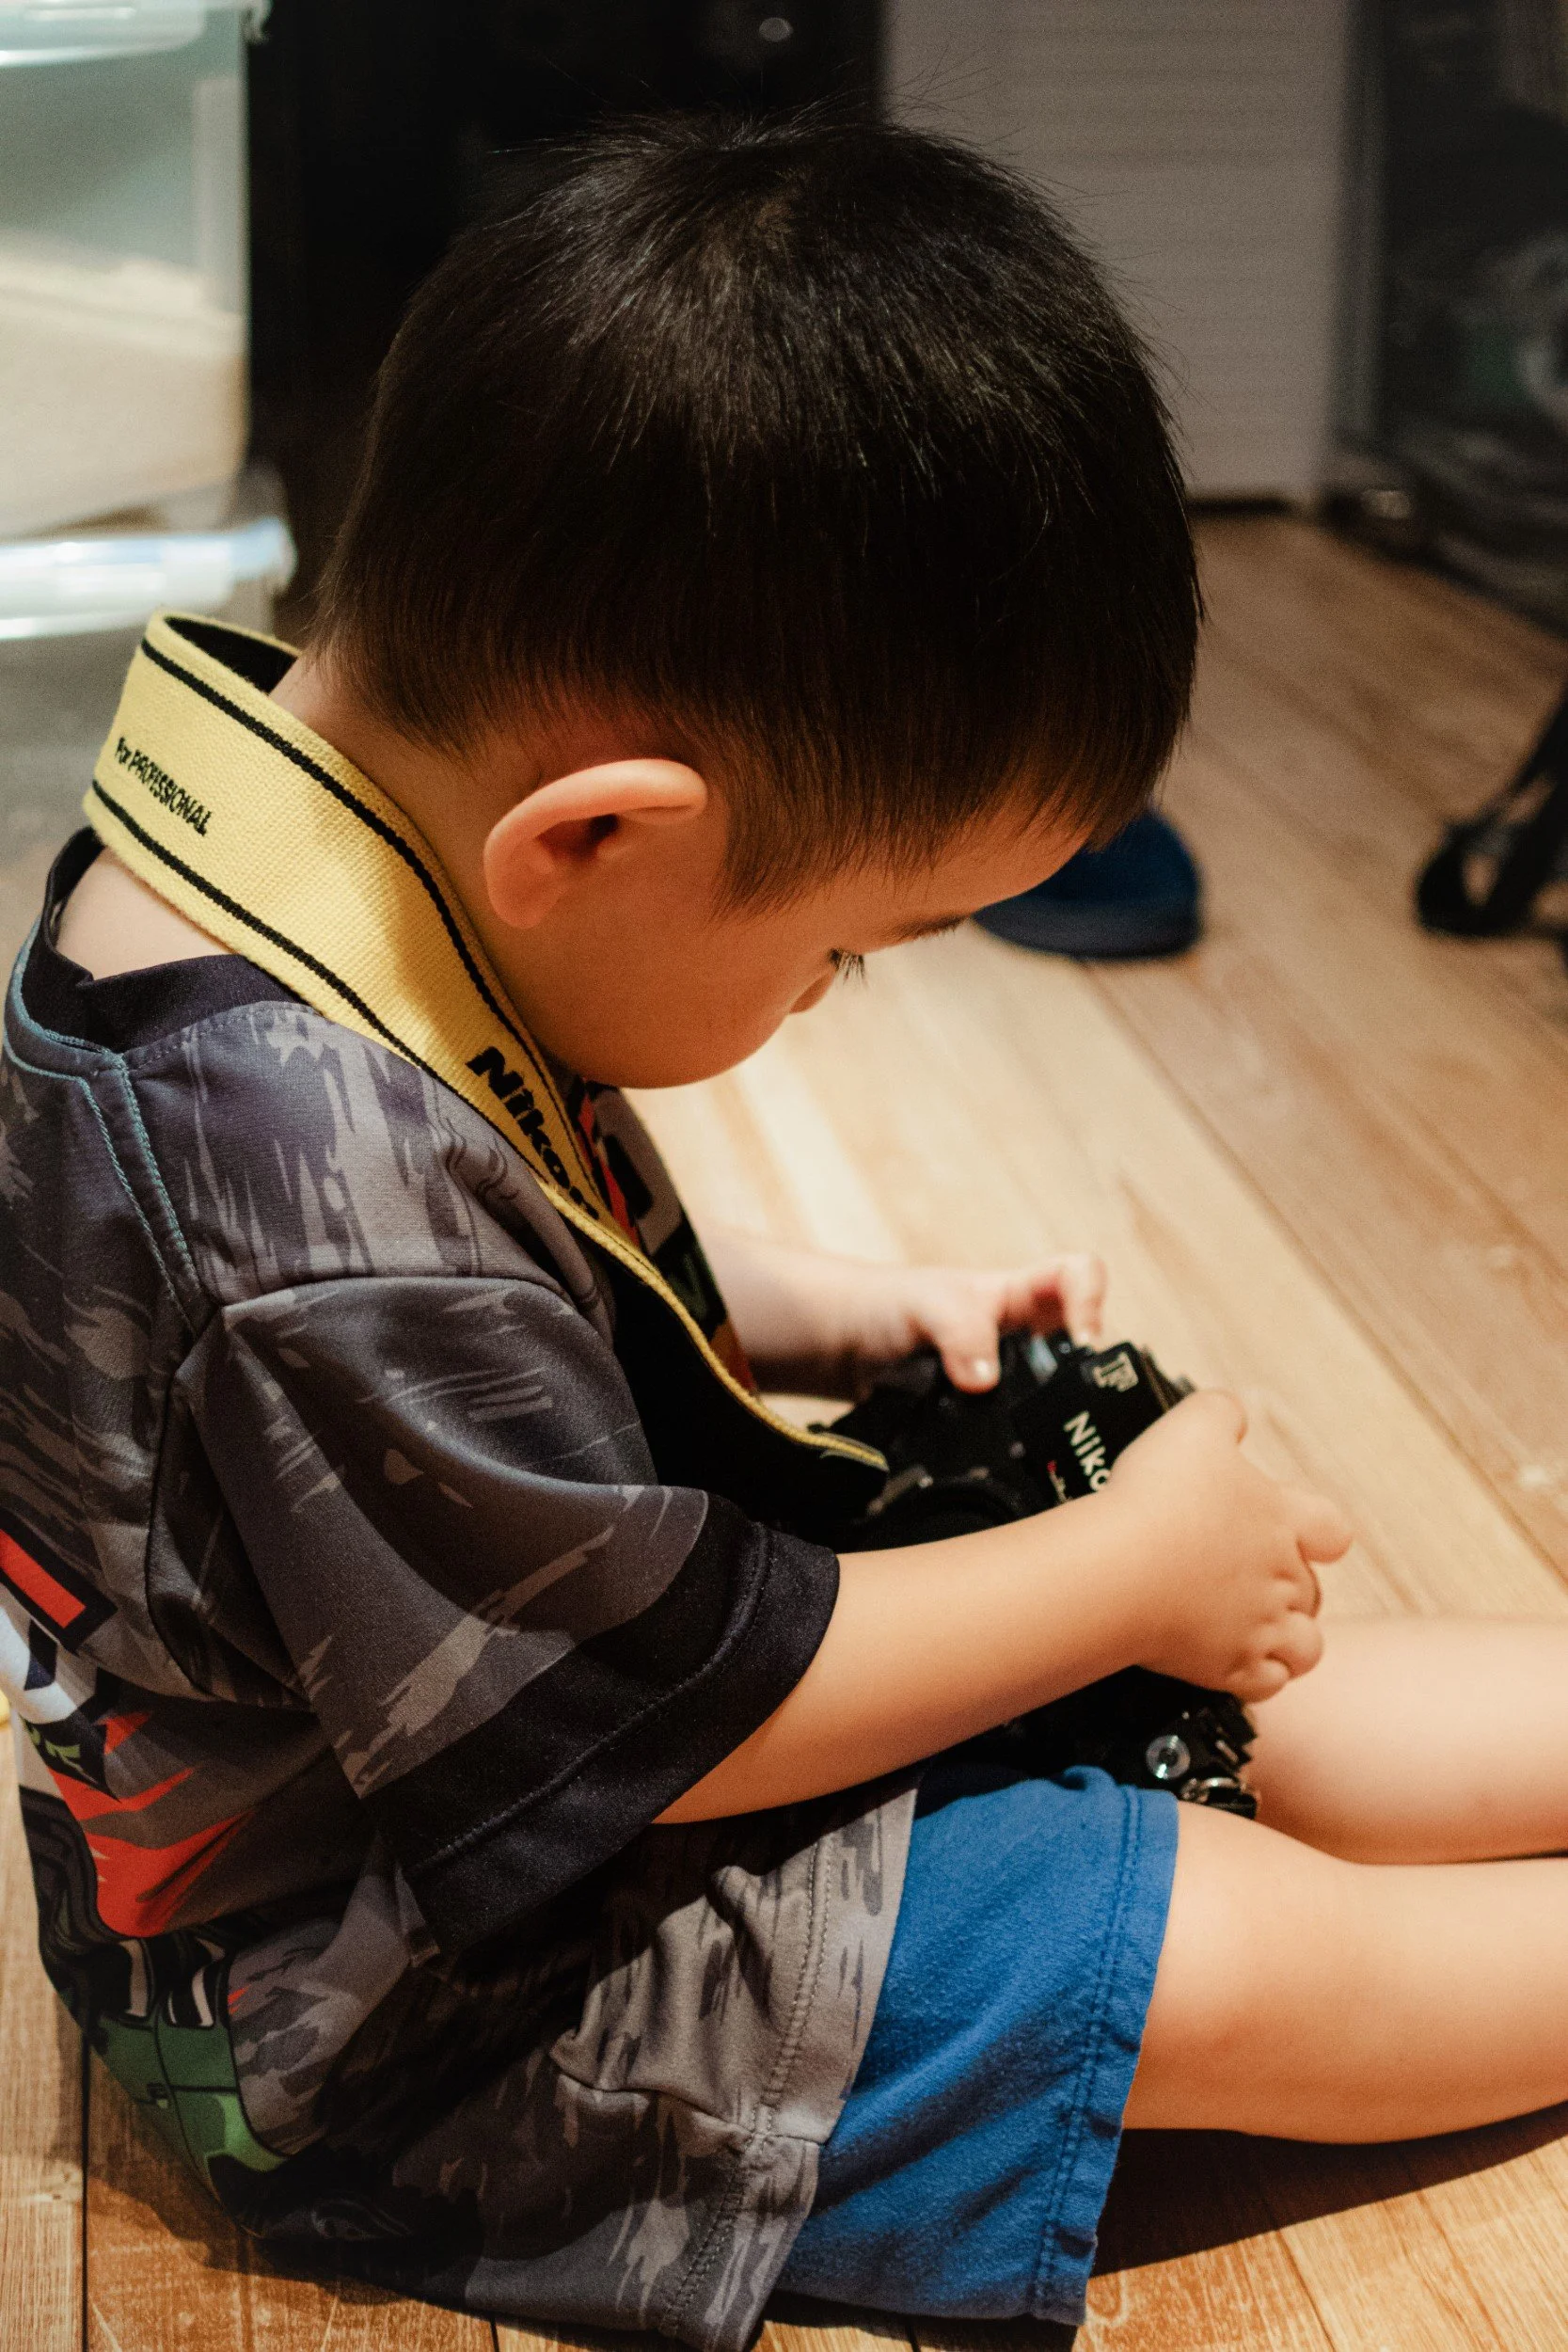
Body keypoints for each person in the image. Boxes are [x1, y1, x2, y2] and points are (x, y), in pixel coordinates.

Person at [4, 113, 1568, 2352]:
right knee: (1202, 1932)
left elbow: (493, 1283)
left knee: (1238, 1680)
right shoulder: (304, 1195)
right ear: (598, 838)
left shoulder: (256, 844)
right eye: (840, 948)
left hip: (541, 1695)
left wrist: (832, 1313)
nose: (827, 994)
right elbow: (637, 1723)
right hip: (415, 2006)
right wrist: (1116, 1566)